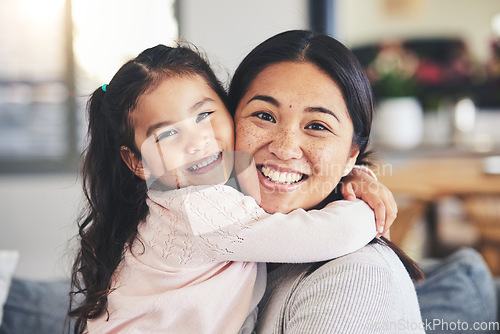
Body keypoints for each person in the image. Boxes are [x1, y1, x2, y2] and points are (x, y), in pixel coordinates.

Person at [69, 44, 397, 334]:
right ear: (138, 162)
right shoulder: (198, 207)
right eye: (167, 134)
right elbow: (327, 235)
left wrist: (353, 176)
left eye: (205, 115)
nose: (197, 142)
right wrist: (368, 209)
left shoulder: (215, 183)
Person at [227, 29, 425, 333]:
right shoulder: (202, 213)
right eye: (264, 116)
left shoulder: (356, 280)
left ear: (351, 155)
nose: (284, 147)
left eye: (317, 125)